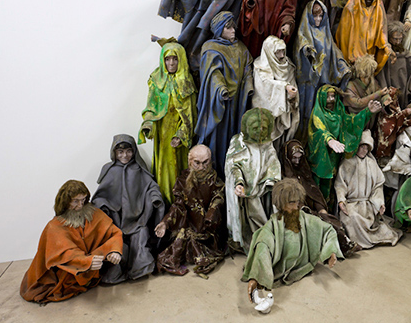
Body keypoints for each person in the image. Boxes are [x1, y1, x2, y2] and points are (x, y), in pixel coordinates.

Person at [242, 179, 343, 310]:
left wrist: (330, 251)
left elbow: (327, 230)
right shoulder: (272, 225)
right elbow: (263, 246)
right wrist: (256, 277)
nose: (296, 207)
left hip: (302, 266)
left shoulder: (305, 219)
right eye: (291, 203)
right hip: (281, 269)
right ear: (281, 203)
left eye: (297, 202)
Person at [20, 180, 123, 303]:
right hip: (68, 274)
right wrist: (87, 262)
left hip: (95, 267)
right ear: (65, 201)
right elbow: (65, 254)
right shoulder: (54, 226)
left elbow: (114, 233)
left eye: (83, 200)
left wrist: (114, 250)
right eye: (75, 201)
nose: (80, 205)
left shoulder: (94, 214)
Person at [92, 135, 164, 284]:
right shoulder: (109, 170)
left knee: (141, 236)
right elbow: (100, 195)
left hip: (137, 217)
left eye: (129, 151)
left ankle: (139, 269)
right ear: (114, 153)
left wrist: (154, 197)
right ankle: (116, 272)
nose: (125, 155)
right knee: (116, 244)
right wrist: (102, 206)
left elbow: (151, 187)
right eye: (120, 152)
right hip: (116, 220)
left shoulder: (139, 169)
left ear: (134, 151)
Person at [195, 12, 254, 178]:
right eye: (228, 27)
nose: (233, 30)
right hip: (218, 102)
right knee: (218, 137)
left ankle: (232, 173)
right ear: (219, 29)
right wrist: (220, 88)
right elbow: (212, 73)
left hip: (236, 103)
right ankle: (215, 173)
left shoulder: (241, 48)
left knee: (234, 136)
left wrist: (249, 84)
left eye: (233, 27)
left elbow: (247, 68)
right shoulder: (211, 48)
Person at [139, 38, 197, 203]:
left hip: (181, 134)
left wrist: (181, 134)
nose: (171, 63)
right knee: (164, 168)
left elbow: (191, 113)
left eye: (175, 59)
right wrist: (148, 123)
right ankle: (165, 203)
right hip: (163, 134)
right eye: (167, 59)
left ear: (181, 60)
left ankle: (181, 204)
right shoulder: (156, 80)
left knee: (182, 168)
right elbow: (151, 107)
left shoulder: (186, 82)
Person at [154, 145, 227, 276]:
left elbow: (218, 197)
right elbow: (178, 206)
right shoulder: (182, 181)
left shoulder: (215, 180)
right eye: (197, 163)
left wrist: (211, 213)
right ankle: (168, 262)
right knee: (183, 237)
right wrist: (165, 222)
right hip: (189, 224)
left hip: (207, 227)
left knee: (205, 252)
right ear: (190, 162)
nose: (201, 167)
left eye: (205, 162)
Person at [281, 140, 358, 256]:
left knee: (330, 220)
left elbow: (314, 193)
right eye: (294, 158)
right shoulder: (285, 177)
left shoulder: (304, 173)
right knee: (321, 224)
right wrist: (308, 212)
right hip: (299, 213)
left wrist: (321, 208)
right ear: (288, 158)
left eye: (299, 158)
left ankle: (344, 245)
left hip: (312, 211)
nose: (297, 161)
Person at [307, 85, 381, 202]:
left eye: (333, 96)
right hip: (322, 157)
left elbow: (351, 123)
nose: (331, 100)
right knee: (319, 188)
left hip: (336, 156)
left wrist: (367, 112)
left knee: (335, 187)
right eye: (328, 97)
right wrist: (329, 140)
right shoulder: (318, 114)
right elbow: (319, 130)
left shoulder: (339, 113)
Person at [225, 108, 282, 252]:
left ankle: (264, 242)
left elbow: (273, 162)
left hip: (263, 187)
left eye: (264, 128)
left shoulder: (267, 143)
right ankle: (250, 243)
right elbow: (233, 165)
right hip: (244, 189)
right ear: (248, 128)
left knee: (264, 215)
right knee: (248, 216)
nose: (260, 132)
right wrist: (238, 182)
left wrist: (271, 179)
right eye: (255, 128)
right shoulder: (238, 142)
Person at [293, 0, 351, 140]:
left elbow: (335, 52)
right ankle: (303, 140)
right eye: (315, 16)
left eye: (321, 16)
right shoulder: (304, 33)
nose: (318, 19)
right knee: (307, 113)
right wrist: (307, 51)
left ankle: (318, 140)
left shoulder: (326, 33)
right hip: (309, 84)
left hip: (324, 83)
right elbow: (301, 46)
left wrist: (343, 67)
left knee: (321, 114)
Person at [334, 131, 403, 249]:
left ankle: (372, 238)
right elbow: (340, 184)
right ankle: (356, 243)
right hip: (351, 203)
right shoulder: (347, 162)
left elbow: (377, 186)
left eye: (366, 148)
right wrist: (341, 201)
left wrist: (379, 203)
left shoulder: (372, 164)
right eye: (362, 147)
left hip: (367, 204)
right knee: (352, 218)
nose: (364, 150)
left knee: (377, 224)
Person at [336, 0, 394, 74]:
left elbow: (381, 30)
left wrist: (386, 46)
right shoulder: (351, 9)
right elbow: (344, 38)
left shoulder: (378, 9)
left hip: (369, 53)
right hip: (353, 54)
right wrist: (351, 57)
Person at [252, 36, 299, 149]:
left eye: (283, 51)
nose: (282, 55)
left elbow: (292, 83)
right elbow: (265, 85)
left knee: (280, 141)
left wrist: (291, 96)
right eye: (278, 52)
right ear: (269, 52)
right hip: (268, 111)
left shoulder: (287, 65)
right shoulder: (260, 67)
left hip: (284, 110)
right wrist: (285, 86)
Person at [376, 21, 411, 109]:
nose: (398, 42)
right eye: (395, 39)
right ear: (389, 37)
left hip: (402, 89)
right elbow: (380, 74)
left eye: (400, 39)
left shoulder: (404, 53)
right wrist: (384, 90)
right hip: (388, 89)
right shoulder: (384, 55)